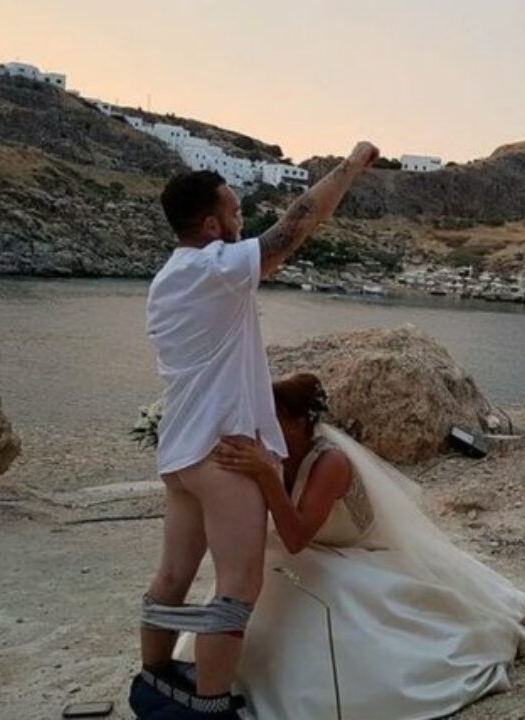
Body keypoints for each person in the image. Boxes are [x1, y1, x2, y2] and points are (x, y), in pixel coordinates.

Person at [133, 143, 379, 719]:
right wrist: (349, 167)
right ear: (212, 225)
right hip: (225, 455)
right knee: (239, 585)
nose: (241, 221)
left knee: (172, 574)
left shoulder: (166, 279)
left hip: (181, 452)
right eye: (236, 211)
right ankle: (211, 707)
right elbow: (296, 227)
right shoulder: (215, 269)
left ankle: (153, 682)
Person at [191, 373, 525, 719]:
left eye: (272, 417)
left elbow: (296, 538)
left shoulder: (330, 463)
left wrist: (266, 476)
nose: (262, 426)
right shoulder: (273, 452)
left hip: (357, 551)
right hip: (312, 550)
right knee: (255, 572)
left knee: (324, 586)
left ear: (298, 422)